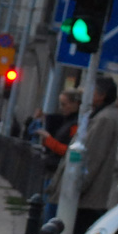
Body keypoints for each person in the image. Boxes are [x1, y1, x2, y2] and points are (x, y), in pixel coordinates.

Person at [73, 75, 118, 234]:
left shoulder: (105, 118)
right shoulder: (101, 115)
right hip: (89, 196)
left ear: (102, 95)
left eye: (90, 91)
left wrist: (79, 184)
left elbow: (94, 156)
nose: (86, 94)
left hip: (89, 198)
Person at [43, 88, 82, 221]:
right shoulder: (67, 121)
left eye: (64, 104)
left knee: (51, 212)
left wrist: (48, 140)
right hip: (54, 169)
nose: (62, 108)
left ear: (75, 104)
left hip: (60, 172)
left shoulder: (75, 124)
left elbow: (68, 150)